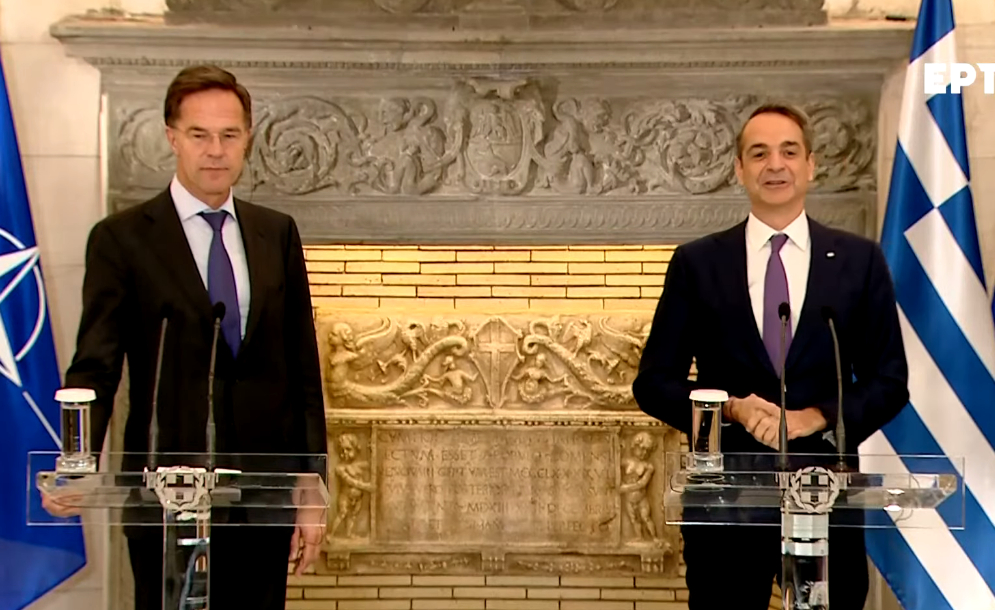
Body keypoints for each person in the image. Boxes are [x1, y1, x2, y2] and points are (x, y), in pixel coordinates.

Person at [49, 65, 328, 610]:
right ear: (172, 137)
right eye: (199, 134)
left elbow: (302, 370)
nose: (215, 151)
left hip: (261, 498)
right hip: (165, 495)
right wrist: (77, 460)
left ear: (248, 138)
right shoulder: (122, 239)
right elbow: (96, 366)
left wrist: (311, 481)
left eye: (229, 135)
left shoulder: (276, 232)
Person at [632, 103, 909, 610]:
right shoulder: (698, 262)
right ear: (740, 169)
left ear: (811, 165)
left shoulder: (858, 259)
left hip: (826, 499)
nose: (775, 165)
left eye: (789, 152)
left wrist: (816, 416)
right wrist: (729, 408)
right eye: (759, 154)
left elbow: (889, 381)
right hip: (726, 506)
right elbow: (653, 383)